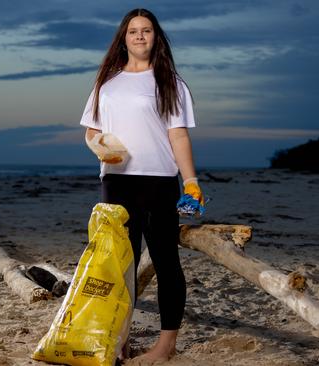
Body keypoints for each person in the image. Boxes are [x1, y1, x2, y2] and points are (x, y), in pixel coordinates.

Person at [79, 8, 205, 363]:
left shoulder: (171, 83)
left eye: (146, 30)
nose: (139, 36)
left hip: (159, 181)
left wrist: (191, 182)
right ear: (123, 37)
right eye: (133, 31)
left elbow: (177, 135)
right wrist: (102, 145)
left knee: (166, 262)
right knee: (119, 267)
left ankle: (165, 347)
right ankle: (120, 341)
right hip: (115, 183)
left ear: (156, 37)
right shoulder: (107, 82)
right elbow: (91, 130)